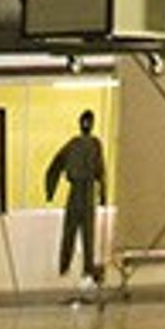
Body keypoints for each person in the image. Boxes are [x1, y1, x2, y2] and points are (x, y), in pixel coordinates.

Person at [44, 109, 110, 290]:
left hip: (87, 190)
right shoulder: (74, 144)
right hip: (77, 190)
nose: (86, 125)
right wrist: (50, 190)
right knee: (71, 229)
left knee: (87, 232)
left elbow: (100, 170)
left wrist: (103, 193)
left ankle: (86, 267)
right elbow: (55, 165)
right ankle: (65, 265)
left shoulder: (95, 144)